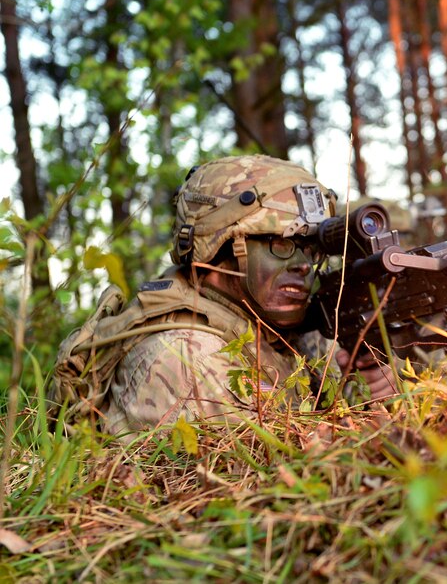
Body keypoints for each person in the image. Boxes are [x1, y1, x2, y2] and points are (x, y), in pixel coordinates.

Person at [50, 155, 395, 434]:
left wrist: (373, 395)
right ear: (217, 247)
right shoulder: (186, 355)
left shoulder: (286, 334)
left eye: (310, 248)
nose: (303, 265)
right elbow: (270, 478)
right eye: (281, 244)